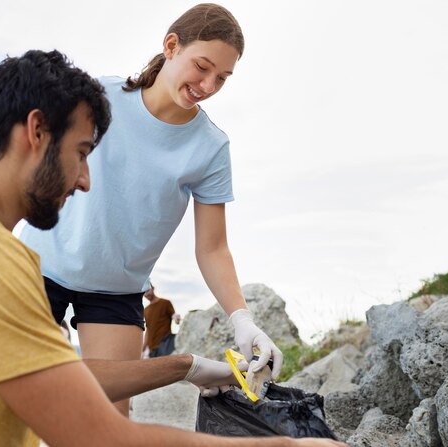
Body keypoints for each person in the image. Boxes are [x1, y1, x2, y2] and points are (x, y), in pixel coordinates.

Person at [0, 49, 345, 447]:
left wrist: (189, 366)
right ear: (36, 131)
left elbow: (67, 378)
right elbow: (100, 436)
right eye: (82, 153)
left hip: (117, 288)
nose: (87, 181)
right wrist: (287, 446)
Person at [19, 2, 284, 415]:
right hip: (37, 266)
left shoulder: (211, 147)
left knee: (105, 422)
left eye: (223, 78)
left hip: (116, 290)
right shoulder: (100, 95)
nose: (209, 84)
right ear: (172, 46)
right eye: (202, 66)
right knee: (17, 402)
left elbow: (212, 248)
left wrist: (242, 320)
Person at [143, 282, 181, 358]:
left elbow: (174, 317)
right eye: (143, 293)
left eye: (147, 291)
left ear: (153, 288)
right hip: (152, 350)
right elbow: (148, 329)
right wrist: (143, 348)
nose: (146, 294)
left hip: (165, 345)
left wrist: (177, 319)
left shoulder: (165, 303)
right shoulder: (146, 310)